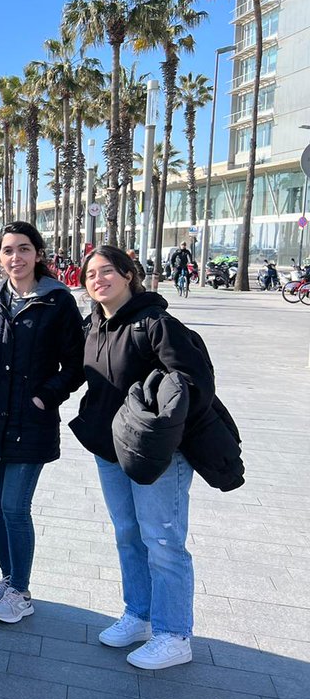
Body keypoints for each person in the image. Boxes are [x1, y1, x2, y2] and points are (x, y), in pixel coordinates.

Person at [70, 245, 215, 670]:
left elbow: (194, 383)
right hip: (110, 450)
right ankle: (139, 615)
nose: (99, 279)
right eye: (91, 274)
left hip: (157, 456)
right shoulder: (94, 325)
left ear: (129, 275)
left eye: (108, 271)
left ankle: (174, 634)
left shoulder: (158, 324)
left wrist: (152, 415)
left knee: (163, 541)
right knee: (127, 534)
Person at [0, 222, 85, 624]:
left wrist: (44, 397)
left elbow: (77, 364)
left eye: (25, 249)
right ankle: (9, 577)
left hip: (30, 421)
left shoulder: (57, 300)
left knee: (15, 506)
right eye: (9, 250)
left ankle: (21, 591)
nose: (17, 257)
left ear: (38, 254)